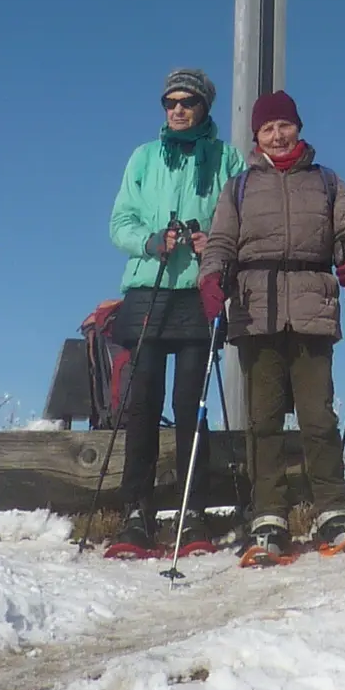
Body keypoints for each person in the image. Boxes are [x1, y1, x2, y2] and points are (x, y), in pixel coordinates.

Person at [197, 89, 345, 564]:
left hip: (312, 307)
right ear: (257, 135)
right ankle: (268, 516)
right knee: (264, 421)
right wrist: (211, 277)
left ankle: (332, 512)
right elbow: (220, 242)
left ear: (298, 127)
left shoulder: (327, 182)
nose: (277, 134)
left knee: (319, 418)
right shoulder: (239, 187)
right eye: (268, 128)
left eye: (284, 125)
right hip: (257, 311)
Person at [104, 68, 245, 553]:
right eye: (170, 102)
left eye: (188, 101)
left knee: (192, 406)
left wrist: (215, 241)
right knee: (141, 404)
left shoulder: (228, 158)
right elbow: (119, 221)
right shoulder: (144, 157)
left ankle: (193, 513)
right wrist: (148, 241)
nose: (178, 109)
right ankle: (136, 513)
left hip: (198, 291)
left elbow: (241, 219)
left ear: (205, 106)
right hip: (148, 287)